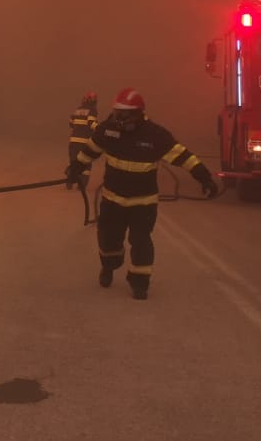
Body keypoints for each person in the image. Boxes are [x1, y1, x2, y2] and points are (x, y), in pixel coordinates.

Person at [65, 87, 219, 300]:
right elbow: (90, 150)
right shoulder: (108, 129)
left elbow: (184, 157)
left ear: (138, 114)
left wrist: (205, 178)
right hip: (112, 199)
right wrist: (75, 169)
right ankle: (110, 266)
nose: (119, 119)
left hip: (143, 203)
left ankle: (139, 283)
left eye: (124, 115)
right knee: (109, 240)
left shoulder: (156, 135)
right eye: (117, 113)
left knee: (141, 241)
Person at [68, 91, 100, 166]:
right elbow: (91, 123)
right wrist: (100, 129)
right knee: (85, 166)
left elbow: (71, 124)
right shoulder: (92, 110)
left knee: (73, 164)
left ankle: (72, 177)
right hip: (84, 143)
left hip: (73, 142)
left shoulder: (77, 110)